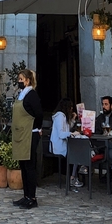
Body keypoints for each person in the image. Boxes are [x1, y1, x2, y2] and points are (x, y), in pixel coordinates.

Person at [11, 67, 43, 210]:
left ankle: (33, 198)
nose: (19, 82)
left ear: (28, 81)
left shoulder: (32, 95)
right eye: (18, 79)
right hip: (21, 134)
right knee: (23, 165)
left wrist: (37, 127)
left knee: (30, 166)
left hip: (31, 133)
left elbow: (39, 114)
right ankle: (26, 196)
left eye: (21, 79)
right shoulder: (21, 95)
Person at [50, 98, 82, 188]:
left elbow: (67, 128)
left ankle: (75, 174)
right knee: (77, 151)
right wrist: (71, 134)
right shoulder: (60, 116)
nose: (71, 109)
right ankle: (73, 177)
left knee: (77, 149)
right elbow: (61, 134)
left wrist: (72, 119)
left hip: (62, 143)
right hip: (58, 145)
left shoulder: (63, 117)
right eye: (71, 107)